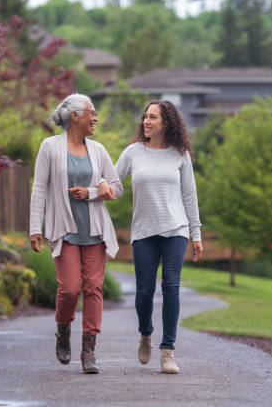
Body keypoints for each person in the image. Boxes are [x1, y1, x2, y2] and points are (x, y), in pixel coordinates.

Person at [29, 94, 121, 374]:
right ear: (74, 116)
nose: (96, 118)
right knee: (70, 289)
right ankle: (63, 330)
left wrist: (96, 190)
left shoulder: (98, 150)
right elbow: (39, 189)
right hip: (65, 229)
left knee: (93, 288)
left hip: (94, 230)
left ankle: (89, 350)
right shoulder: (50, 147)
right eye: (91, 113)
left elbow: (116, 187)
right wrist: (35, 228)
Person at [115, 100, 203, 374]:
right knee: (143, 293)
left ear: (167, 122)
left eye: (152, 117)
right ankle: (146, 333)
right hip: (143, 232)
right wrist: (96, 190)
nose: (146, 121)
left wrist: (195, 234)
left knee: (171, 287)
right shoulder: (132, 152)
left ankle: (168, 351)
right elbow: (115, 187)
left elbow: (190, 196)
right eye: (145, 117)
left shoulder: (180, 155)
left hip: (175, 230)